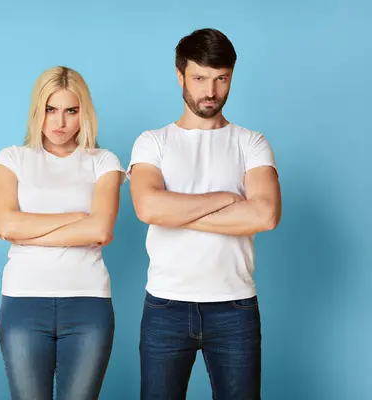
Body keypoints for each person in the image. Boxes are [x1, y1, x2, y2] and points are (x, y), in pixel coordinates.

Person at [127, 28, 282, 400]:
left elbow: (265, 215)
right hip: (165, 304)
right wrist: (227, 198)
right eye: (199, 78)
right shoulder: (153, 142)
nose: (210, 92)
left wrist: (175, 212)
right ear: (180, 75)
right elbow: (148, 206)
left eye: (221, 79)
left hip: (235, 306)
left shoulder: (252, 142)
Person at [0, 66, 125, 400]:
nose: (60, 122)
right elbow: (7, 223)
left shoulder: (103, 161)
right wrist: (77, 219)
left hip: (88, 303)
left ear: (84, 114)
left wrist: (26, 232)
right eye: (51, 109)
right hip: (23, 301)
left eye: (71, 111)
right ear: (38, 110)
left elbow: (100, 229)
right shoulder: (13, 159)